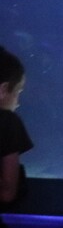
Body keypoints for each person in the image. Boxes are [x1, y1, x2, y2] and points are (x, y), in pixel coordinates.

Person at [0, 46, 34, 206]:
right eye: (18, 92)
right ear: (3, 89)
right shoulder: (7, 122)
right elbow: (7, 192)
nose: (18, 102)